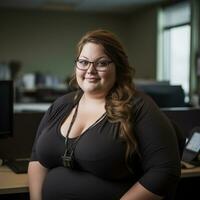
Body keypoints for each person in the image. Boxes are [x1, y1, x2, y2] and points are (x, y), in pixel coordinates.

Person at [28, 29, 181, 200]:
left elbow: (165, 171)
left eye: (101, 63)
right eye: (83, 62)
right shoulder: (61, 105)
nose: (90, 70)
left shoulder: (139, 107)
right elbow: (37, 159)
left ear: (118, 67)